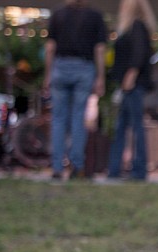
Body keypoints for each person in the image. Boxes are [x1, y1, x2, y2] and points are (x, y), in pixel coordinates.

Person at [42, 0, 107, 180]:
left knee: (58, 118)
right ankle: (76, 166)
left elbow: (50, 48)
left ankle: (57, 167)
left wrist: (48, 75)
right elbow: (99, 49)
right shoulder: (95, 16)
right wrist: (100, 76)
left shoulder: (58, 15)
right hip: (84, 68)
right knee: (79, 117)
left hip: (60, 67)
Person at [106, 0, 156, 181]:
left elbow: (139, 54)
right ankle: (114, 169)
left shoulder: (137, 27)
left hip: (133, 85)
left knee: (135, 127)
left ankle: (139, 170)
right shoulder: (130, 28)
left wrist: (130, 76)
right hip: (128, 84)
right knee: (122, 127)